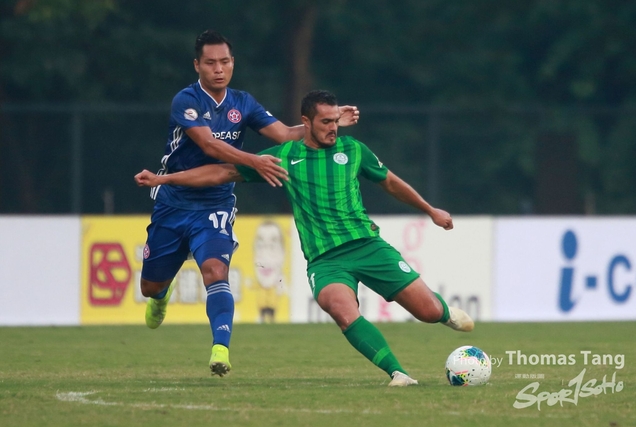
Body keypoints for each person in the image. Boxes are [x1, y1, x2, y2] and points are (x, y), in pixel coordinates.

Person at [135, 90, 473, 387]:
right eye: (326, 121)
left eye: (335, 121)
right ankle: (398, 374)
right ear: (306, 122)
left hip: (368, 247)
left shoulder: (354, 150)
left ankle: (444, 312)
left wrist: (430, 210)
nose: (333, 128)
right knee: (341, 309)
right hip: (325, 261)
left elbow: (391, 182)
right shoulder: (285, 157)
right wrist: (165, 180)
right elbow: (222, 172)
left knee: (427, 311)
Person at [140, 31, 359, 378]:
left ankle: (220, 349)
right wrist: (254, 160)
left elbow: (284, 134)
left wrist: (326, 124)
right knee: (149, 286)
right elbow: (209, 146)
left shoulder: (242, 103)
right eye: (210, 63)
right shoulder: (186, 100)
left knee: (215, 271)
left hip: (216, 203)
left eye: (225, 62)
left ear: (233, 63)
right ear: (197, 65)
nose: (218, 69)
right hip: (174, 202)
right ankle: (161, 293)